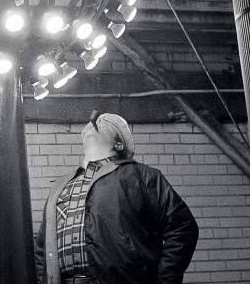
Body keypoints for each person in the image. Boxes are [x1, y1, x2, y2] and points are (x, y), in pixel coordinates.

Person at [35, 112, 199, 284]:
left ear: (119, 145)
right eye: (91, 124)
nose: (95, 123)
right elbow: (42, 250)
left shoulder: (142, 176)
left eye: (105, 124)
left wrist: (164, 280)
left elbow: (183, 228)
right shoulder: (60, 187)